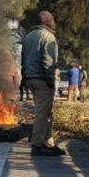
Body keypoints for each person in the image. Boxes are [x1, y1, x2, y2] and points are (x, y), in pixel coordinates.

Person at [21, 10, 62, 155]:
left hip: (31, 79)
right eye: (52, 20)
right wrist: (51, 81)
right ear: (48, 22)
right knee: (42, 113)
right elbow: (48, 62)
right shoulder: (48, 36)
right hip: (42, 79)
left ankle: (48, 142)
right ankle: (37, 145)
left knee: (47, 112)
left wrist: (24, 78)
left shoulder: (28, 36)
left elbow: (23, 60)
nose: (54, 22)